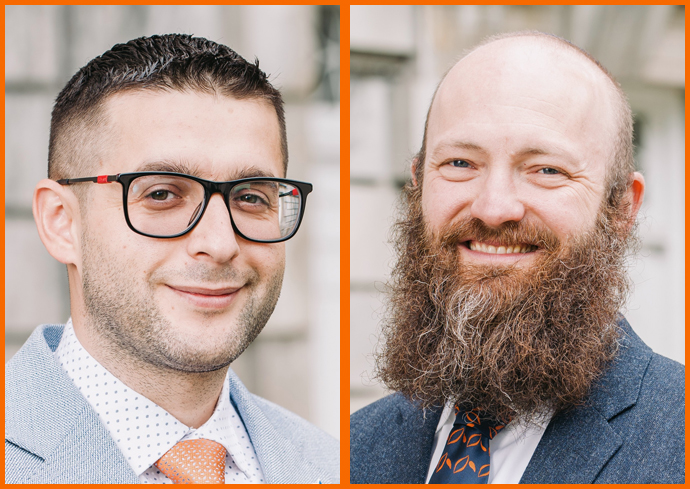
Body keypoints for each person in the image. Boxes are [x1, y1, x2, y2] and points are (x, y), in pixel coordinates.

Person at [350, 31, 684, 484]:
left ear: (622, 207)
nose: (492, 207)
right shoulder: (354, 447)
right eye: (460, 164)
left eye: (546, 170)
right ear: (417, 182)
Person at [6, 34, 338, 484]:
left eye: (251, 197)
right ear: (62, 222)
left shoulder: (332, 464)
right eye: (162, 193)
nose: (220, 243)